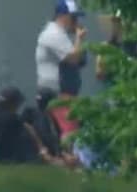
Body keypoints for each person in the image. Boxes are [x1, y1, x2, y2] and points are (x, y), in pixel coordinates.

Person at [36, 1, 87, 136]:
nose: (76, 21)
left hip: (66, 94)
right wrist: (79, 39)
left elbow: (81, 61)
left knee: (72, 132)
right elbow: (74, 58)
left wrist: (79, 42)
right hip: (58, 94)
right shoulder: (54, 34)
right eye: (73, 17)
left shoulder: (63, 36)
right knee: (69, 133)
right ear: (62, 16)